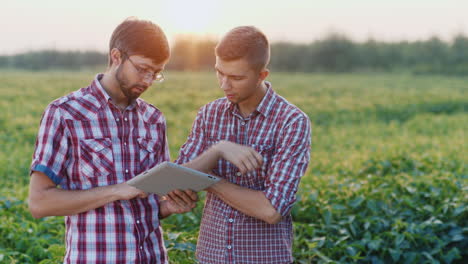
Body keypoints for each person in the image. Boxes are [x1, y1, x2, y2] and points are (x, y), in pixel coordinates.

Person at [28, 17, 198, 264]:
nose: (148, 80)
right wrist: (117, 190)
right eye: (142, 69)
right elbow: (39, 202)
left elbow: (149, 202)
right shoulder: (66, 114)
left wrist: (168, 207)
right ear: (116, 56)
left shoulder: (154, 119)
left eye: (156, 73)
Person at [176, 26, 312, 263]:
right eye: (220, 73)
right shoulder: (210, 114)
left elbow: (271, 210)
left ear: (262, 75)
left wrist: (211, 181)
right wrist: (218, 150)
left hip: (264, 258)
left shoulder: (291, 122)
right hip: (211, 256)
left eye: (236, 78)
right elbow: (179, 179)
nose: (224, 85)